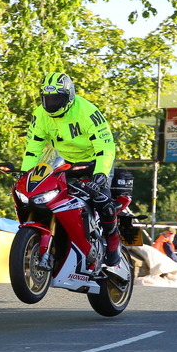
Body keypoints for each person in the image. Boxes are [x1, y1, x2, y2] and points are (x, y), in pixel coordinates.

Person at [21, 72, 119, 265]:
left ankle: (113, 242)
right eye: (47, 98)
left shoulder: (87, 111)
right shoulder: (40, 114)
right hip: (63, 161)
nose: (52, 103)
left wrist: (100, 176)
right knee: (44, 196)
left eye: (57, 98)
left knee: (102, 200)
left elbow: (106, 148)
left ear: (69, 97)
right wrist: (26, 176)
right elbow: (33, 150)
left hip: (94, 161)